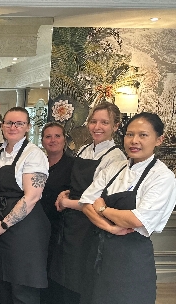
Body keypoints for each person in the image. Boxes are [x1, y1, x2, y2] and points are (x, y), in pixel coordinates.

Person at [79, 112, 176, 303]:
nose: (134, 141)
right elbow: (85, 202)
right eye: (130, 134)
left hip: (131, 262)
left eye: (143, 135)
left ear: (159, 139)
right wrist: (111, 227)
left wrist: (103, 209)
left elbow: (137, 220)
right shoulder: (115, 168)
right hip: (97, 254)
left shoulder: (162, 177)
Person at [49, 102, 127, 304]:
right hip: (69, 224)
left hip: (89, 225)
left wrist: (67, 202)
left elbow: (97, 198)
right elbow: (77, 184)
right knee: (62, 275)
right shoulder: (84, 149)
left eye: (104, 122)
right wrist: (67, 192)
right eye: (93, 121)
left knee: (80, 278)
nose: (97, 127)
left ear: (116, 126)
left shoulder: (116, 157)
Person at [0, 107, 50, 304]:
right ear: (2, 125)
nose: (13, 127)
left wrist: (4, 224)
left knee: (22, 289)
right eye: (9, 123)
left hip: (24, 232)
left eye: (19, 123)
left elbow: (31, 197)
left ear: (28, 127)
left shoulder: (34, 155)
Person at [38, 122, 75, 304]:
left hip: (61, 231)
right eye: (48, 136)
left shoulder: (73, 165)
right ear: (42, 141)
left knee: (57, 278)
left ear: (64, 140)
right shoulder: (37, 164)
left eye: (57, 136)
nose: (53, 140)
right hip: (38, 229)